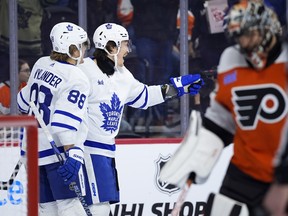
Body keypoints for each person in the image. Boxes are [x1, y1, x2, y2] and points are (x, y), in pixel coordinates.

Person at [159, 1, 287, 216]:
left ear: (268, 28)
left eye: (249, 34)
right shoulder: (231, 58)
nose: (243, 42)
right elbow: (221, 118)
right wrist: (200, 152)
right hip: (244, 169)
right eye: (238, 36)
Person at [77, 22, 204, 215]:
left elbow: (144, 96)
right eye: (125, 44)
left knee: (100, 208)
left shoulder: (122, 75)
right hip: (87, 151)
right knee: (97, 209)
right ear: (111, 47)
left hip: (106, 151)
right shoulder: (82, 71)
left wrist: (179, 87)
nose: (128, 50)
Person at [17, 22, 91, 216]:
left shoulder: (40, 64)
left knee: (46, 209)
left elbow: (22, 101)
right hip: (56, 152)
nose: (84, 50)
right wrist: (73, 154)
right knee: (69, 207)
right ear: (71, 49)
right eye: (82, 46)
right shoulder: (76, 77)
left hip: (31, 150)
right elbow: (63, 124)